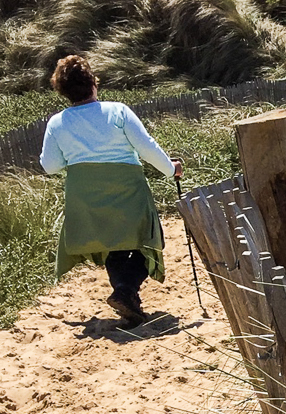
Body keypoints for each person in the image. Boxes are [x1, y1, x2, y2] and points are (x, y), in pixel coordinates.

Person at [39, 55, 182, 325]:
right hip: (127, 187)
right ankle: (126, 291)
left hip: (85, 194)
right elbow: (147, 147)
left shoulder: (57, 123)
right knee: (148, 238)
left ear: (63, 91)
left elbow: (50, 166)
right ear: (93, 83)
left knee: (112, 247)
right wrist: (171, 169)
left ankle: (125, 295)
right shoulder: (117, 111)